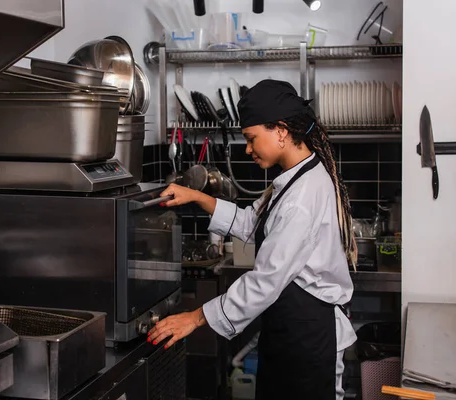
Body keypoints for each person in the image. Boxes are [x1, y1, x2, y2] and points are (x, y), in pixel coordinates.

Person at [148, 79, 357, 400]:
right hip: (290, 331)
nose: (247, 149)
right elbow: (250, 222)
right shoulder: (295, 176)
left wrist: (195, 317)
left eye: (251, 138)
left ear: (282, 131)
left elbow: (266, 281)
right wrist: (195, 196)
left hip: (310, 339)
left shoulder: (302, 196)